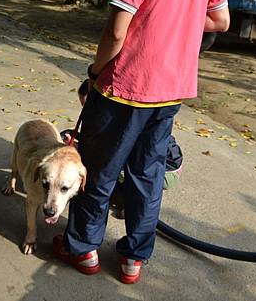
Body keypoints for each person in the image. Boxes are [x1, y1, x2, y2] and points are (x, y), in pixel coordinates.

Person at [53, 0, 230, 284]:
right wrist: (176, 11)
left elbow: (118, 31)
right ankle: (134, 259)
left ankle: (82, 249)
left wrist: (95, 73)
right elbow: (221, 19)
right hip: (172, 90)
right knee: (147, 177)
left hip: (127, 87)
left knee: (99, 172)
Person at [61, 79, 184, 218]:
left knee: (107, 167)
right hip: (157, 160)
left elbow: (116, 151)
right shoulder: (121, 114)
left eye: (87, 106)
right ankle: (131, 197)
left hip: (166, 170)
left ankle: (134, 204)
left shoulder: (124, 119)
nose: (87, 112)